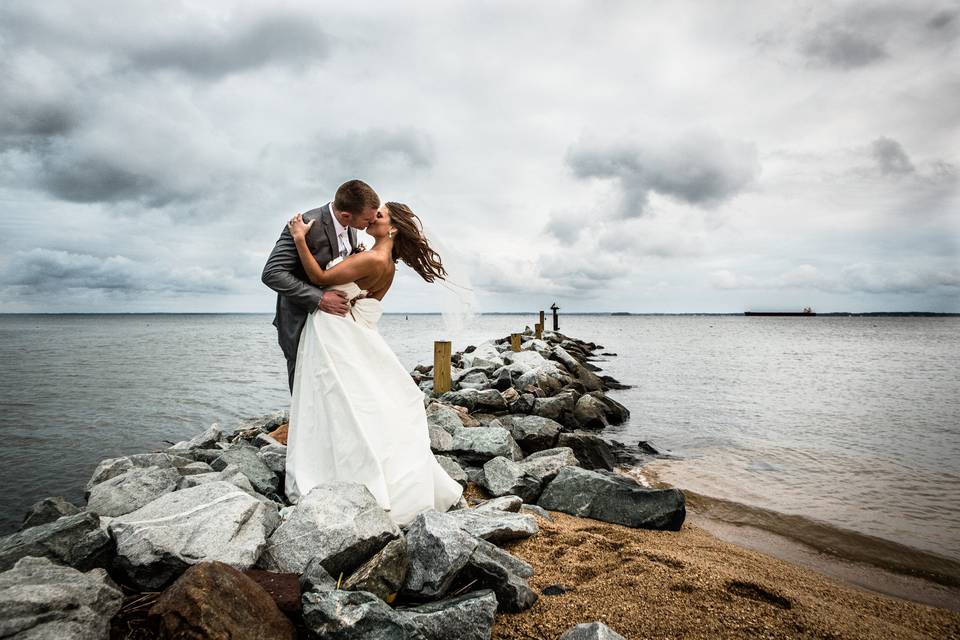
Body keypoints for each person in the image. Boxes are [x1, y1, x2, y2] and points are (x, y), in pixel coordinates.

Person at [282, 201, 464, 526]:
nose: (371, 219)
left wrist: (298, 238)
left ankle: (335, 468)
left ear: (392, 228)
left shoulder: (372, 257)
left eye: (379, 216)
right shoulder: (387, 264)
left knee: (332, 397)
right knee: (356, 399)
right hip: (351, 328)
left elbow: (318, 275)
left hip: (332, 328)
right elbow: (368, 300)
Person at [261, 179, 380, 393]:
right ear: (346, 215)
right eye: (367, 219)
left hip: (336, 323)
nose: (370, 224)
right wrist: (319, 298)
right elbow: (272, 273)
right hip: (301, 318)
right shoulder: (307, 223)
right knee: (303, 380)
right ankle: (300, 426)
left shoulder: (352, 228)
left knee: (333, 381)